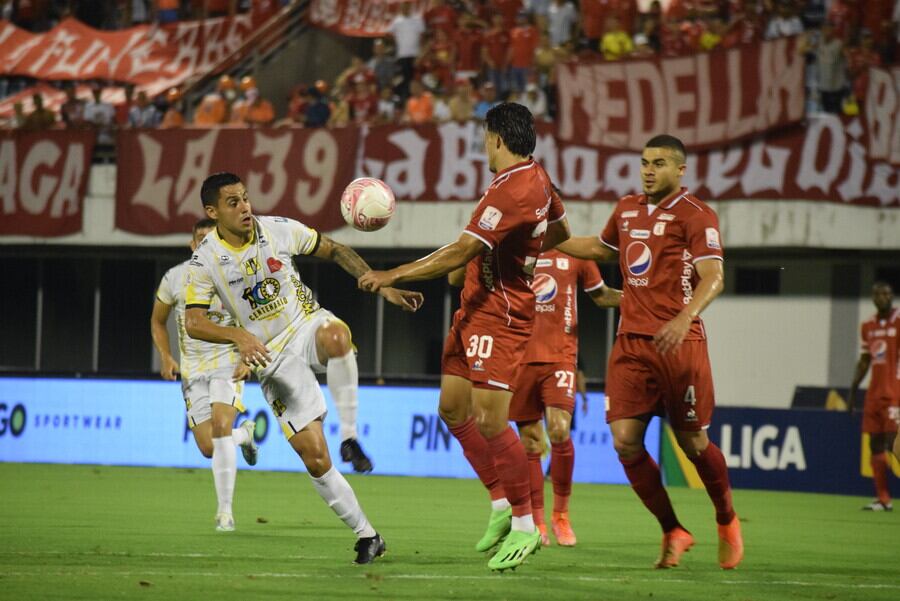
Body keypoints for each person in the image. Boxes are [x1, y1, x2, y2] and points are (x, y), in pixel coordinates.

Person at [359, 103, 571, 571]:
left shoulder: (513, 189)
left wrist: (392, 274)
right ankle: (501, 503)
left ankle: (525, 525)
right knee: (453, 408)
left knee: (492, 421)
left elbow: (461, 249)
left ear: (497, 138)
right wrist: (518, 253)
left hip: (500, 315)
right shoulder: (535, 177)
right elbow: (560, 230)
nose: (482, 146)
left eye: (484, 138)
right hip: (473, 308)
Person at [184, 173, 423, 563]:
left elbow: (335, 250)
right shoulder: (205, 259)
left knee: (337, 337)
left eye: (245, 198)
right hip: (270, 357)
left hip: (305, 325)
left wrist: (385, 288)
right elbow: (194, 321)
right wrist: (238, 337)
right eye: (233, 202)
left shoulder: (277, 228)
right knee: (314, 456)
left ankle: (350, 437)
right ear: (212, 212)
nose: (245, 207)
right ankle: (368, 535)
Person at [556, 134, 743, 570]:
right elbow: (600, 249)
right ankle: (673, 529)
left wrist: (684, 317)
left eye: (658, 163)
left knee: (693, 442)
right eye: (644, 162)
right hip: (632, 345)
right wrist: (547, 239)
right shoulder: (626, 209)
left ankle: (726, 519)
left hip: (680, 344)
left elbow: (714, 277)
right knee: (625, 442)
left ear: (680, 170)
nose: (648, 170)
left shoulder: (697, 214)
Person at [505, 249, 621, 547]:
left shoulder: (574, 252)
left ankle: (561, 515)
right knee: (531, 442)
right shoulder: (515, 249)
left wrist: (645, 298)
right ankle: (538, 522)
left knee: (558, 430)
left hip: (560, 356)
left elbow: (602, 295)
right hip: (519, 358)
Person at [150, 218, 258, 532]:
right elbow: (157, 321)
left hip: (228, 363)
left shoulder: (239, 276)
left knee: (222, 427)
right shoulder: (175, 278)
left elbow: (258, 320)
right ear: (192, 244)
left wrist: (249, 359)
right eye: (201, 239)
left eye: (213, 238)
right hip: (193, 370)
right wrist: (166, 356)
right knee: (210, 447)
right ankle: (244, 435)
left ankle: (225, 512)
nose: (206, 244)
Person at [849, 282, 899, 511]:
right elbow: (865, 361)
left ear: (892, 296)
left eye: (886, 294)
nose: (882, 297)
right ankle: (883, 499)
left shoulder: (898, 321)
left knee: (894, 443)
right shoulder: (868, 325)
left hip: (895, 393)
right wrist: (853, 390)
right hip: (874, 395)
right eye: (877, 294)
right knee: (875, 444)